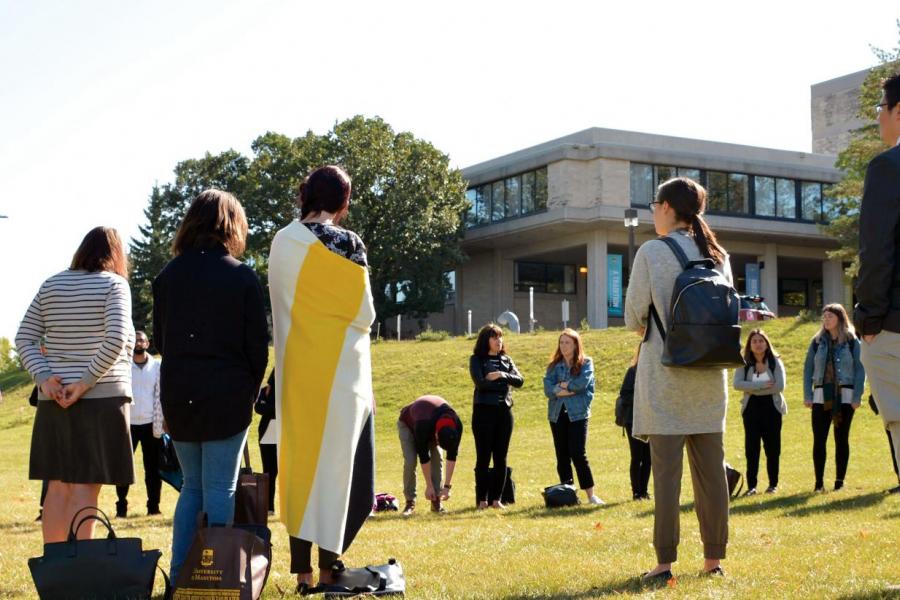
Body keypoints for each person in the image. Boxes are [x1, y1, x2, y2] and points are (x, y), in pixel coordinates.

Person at [268, 165, 375, 592]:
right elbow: (364, 311)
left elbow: (280, 304)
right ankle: (331, 566)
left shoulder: (281, 242)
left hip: (297, 369)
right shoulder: (348, 243)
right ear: (343, 201)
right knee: (336, 468)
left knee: (299, 466)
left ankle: (302, 572)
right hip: (342, 373)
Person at [153, 190, 269, 583]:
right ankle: (216, 578)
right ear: (232, 225)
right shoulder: (240, 274)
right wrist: (249, 392)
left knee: (192, 490)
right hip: (227, 394)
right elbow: (257, 345)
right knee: (221, 487)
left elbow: (160, 341)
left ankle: (177, 577)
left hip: (180, 394)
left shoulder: (167, 276)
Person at [624, 177, 732, 582]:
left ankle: (665, 563)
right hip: (709, 376)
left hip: (666, 376)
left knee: (666, 478)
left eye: (655, 203)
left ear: (668, 207)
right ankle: (713, 561)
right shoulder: (719, 254)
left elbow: (634, 314)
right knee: (712, 477)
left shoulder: (652, 251)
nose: (652, 210)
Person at [15, 226, 136, 543]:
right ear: (116, 255)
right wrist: (83, 384)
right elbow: (116, 339)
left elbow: (24, 338)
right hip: (102, 397)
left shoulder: (51, 284)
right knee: (86, 484)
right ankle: (81, 567)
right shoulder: (115, 285)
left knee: (57, 485)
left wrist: (44, 378)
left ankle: (57, 567)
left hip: (53, 399)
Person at [855, 72, 900, 487]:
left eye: (879, 109)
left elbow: (876, 252)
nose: (878, 119)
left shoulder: (888, 168)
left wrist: (868, 322)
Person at [802, 304, 865, 492]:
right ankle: (818, 483)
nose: (826, 319)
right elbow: (808, 369)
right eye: (825, 316)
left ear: (840, 317)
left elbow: (860, 370)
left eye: (830, 316)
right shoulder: (817, 341)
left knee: (841, 438)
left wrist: (857, 396)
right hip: (821, 395)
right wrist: (808, 394)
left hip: (845, 396)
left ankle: (839, 482)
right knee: (819, 439)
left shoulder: (853, 341)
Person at [543, 328, 604, 505]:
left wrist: (563, 388)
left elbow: (582, 384)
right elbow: (548, 389)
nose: (563, 346)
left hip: (578, 415)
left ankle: (591, 495)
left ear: (576, 344)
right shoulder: (554, 366)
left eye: (567, 342)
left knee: (578, 453)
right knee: (562, 455)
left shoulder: (586, 363)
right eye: (561, 342)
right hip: (557, 415)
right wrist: (566, 389)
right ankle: (568, 495)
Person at [469, 323, 523, 510]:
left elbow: (520, 381)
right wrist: (504, 382)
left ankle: (496, 499)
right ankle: (481, 500)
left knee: (501, 457)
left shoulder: (507, 360)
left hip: (504, 413)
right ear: (486, 340)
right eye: (494, 337)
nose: (499, 341)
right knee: (483, 457)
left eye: (500, 337)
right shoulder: (476, 360)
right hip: (483, 413)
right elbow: (481, 384)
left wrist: (501, 374)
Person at [115, 330, 163, 517]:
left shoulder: (157, 366)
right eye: (135, 340)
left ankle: (153, 507)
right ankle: (121, 507)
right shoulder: (123, 366)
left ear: (147, 344)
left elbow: (161, 395)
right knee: (123, 468)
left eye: (141, 340)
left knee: (153, 470)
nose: (138, 343)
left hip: (152, 424)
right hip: (128, 425)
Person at [733, 329, 787, 496]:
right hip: (751, 410)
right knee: (752, 448)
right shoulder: (744, 362)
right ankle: (752, 486)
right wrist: (763, 386)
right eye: (754, 341)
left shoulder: (775, 362)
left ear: (766, 343)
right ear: (749, 344)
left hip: (772, 408)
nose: (758, 344)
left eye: (761, 341)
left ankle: (773, 484)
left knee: (773, 448)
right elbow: (737, 384)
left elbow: (779, 386)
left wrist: (752, 389)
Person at [397, 395, 463, 515]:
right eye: (437, 442)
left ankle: (436, 501)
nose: (436, 443)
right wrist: (429, 486)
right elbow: (424, 457)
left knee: (438, 458)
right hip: (409, 423)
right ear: (436, 435)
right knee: (411, 461)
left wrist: (447, 487)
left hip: (430, 421)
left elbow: (452, 456)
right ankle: (410, 502)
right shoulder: (423, 425)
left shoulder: (457, 425)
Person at [617, 347, 651, 501]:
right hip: (633, 419)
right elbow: (624, 394)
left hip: (652, 420)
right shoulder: (633, 371)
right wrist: (642, 400)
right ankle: (636, 492)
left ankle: (644, 490)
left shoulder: (656, 373)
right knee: (637, 456)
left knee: (649, 457)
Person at [254, 370, 278, 514]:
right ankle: (269, 506)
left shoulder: (287, 392)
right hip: (267, 435)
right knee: (269, 471)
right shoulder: (265, 391)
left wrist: (270, 406)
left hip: (283, 434)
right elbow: (259, 408)